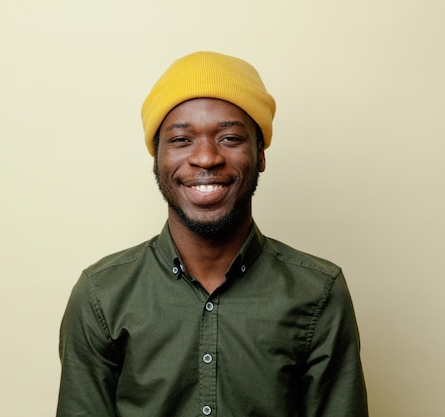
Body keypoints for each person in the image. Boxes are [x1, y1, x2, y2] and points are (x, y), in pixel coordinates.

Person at [56, 51, 368, 417]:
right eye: (181, 140)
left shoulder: (318, 291)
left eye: (230, 138)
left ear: (260, 154)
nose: (206, 158)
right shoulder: (101, 294)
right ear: (156, 157)